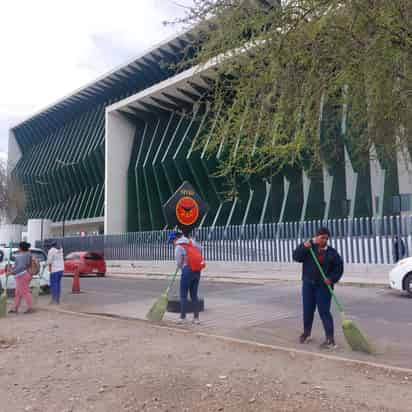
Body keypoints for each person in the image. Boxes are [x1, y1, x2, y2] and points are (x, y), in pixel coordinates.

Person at [293, 227, 343, 350]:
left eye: (326, 238)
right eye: (322, 237)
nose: (324, 240)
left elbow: (339, 269)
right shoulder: (309, 248)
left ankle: (330, 340)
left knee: (324, 312)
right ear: (316, 237)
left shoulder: (332, 253)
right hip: (308, 285)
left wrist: (331, 279)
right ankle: (306, 334)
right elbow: (296, 257)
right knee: (308, 310)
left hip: (324, 287)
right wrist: (304, 246)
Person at [169, 229, 204, 324]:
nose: (172, 243)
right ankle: (196, 319)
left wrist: (182, 266)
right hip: (197, 270)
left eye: (172, 241)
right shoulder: (191, 241)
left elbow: (179, 262)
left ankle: (183, 318)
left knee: (183, 295)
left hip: (187, 270)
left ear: (175, 239)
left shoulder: (178, 246)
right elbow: (200, 249)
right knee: (194, 295)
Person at [8, 241, 34, 314]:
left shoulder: (22, 255)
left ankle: (30, 308)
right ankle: (15, 308)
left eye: (19, 247)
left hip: (21, 276)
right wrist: (13, 258)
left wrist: (11, 272)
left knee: (25, 292)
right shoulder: (28, 254)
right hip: (25, 275)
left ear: (20, 248)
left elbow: (20, 266)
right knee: (18, 293)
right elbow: (21, 262)